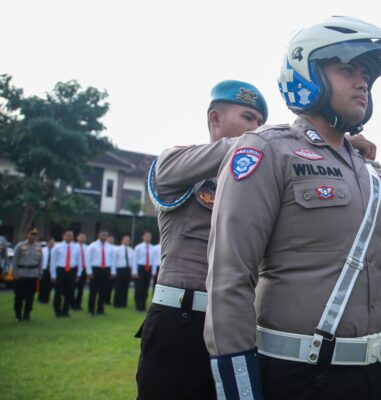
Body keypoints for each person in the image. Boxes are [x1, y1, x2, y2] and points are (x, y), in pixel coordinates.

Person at [206, 16, 381, 400]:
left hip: (375, 378)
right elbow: (229, 281)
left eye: (365, 73)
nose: (362, 81)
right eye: (348, 69)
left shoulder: (375, 174)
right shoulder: (267, 150)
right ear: (308, 74)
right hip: (300, 379)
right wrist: (241, 393)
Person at [135, 79, 268, 400]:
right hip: (180, 320)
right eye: (248, 118)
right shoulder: (175, 162)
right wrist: (274, 140)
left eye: (261, 123)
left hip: (236, 324)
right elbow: (233, 151)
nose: (257, 129)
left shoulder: (261, 182)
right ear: (215, 119)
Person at [12, 228, 43, 322]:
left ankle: (27, 314)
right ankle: (18, 315)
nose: (33, 236)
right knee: (19, 296)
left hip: (33, 274)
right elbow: (15, 260)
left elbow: (41, 261)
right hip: (22, 274)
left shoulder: (38, 247)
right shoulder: (20, 246)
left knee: (30, 297)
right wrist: (15, 273)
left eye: (35, 234)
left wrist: (40, 273)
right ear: (27, 234)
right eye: (31, 234)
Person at [50, 230, 80, 318]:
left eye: (71, 235)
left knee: (70, 292)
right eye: (68, 235)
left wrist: (78, 274)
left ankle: (66, 310)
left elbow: (79, 262)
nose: (69, 237)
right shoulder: (57, 247)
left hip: (72, 270)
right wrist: (53, 275)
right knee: (58, 291)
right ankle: (57, 310)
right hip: (61, 270)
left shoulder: (76, 247)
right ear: (63, 236)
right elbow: (53, 262)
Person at [87, 231, 115, 316]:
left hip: (106, 269)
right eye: (102, 235)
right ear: (98, 235)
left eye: (105, 235)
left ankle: (100, 309)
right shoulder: (92, 246)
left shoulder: (110, 247)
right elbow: (88, 259)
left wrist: (113, 271)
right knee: (93, 291)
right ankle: (91, 310)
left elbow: (113, 260)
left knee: (103, 291)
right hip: (96, 269)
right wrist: (89, 271)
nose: (104, 237)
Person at [133, 231, 157, 312]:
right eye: (146, 236)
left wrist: (153, 272)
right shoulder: (138, 247)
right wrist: (134, 271)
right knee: (139, 287)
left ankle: (143, 305)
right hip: (141, 268)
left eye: (149, 236)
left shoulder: (153, 248)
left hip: (148, 268)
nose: (148, 238)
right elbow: (134, 260)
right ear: (143, 237)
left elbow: (154, 261)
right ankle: (138, 305)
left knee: (146, 288)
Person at [113, 234, 134, 308]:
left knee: (125, 287)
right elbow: (114, 261)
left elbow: (132, 261)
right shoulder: (116, 249)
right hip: (119, 269)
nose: (127, 241)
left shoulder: (131, 250)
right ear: (122, 240)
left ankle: (123, 303)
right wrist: (113, 271)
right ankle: (116, 303)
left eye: (128, 240)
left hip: (127, 269)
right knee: (118, 286)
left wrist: (132, 271)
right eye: (126, 240)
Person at [72, 232, 89, 310]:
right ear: (77, 238)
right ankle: (72, 303)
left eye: (84, 237)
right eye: (81, 237)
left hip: (84, 269)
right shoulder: (73, 247)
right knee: (72, 287)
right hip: (75, 269)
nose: (82, 238)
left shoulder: (87, 248)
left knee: (81, 288)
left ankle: (78, 304)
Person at [38, 237, 55, 303]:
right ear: (48, 243)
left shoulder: (55, 250)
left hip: (51, 270)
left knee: (49, 285)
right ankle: (41, 298)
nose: (52, 244)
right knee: (42, 285)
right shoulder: (43, 250)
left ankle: (47, 299)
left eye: (53, 242)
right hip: (44, 269)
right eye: (51, 242)